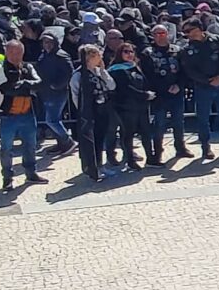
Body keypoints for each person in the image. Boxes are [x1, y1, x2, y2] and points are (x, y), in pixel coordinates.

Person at [180, 16, 219, 159]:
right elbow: (189, 70)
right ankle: (205, 147)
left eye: (190, 30)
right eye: (185, 31)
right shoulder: (187, 48)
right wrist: (207, 80)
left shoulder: (216, 40)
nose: (188, 34)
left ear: (199, 29)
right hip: (202, 87)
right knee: (203, 118)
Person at [0, 40, 48, 190]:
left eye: (18, 53)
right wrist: (26, 86)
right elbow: (6, 89)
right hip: (8, 115)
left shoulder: (28, 66)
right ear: (6, 53)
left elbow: (40, 83)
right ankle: (7, 177)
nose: (15, 56)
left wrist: (23, 84)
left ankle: (31, 173)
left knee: (30, 145)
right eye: (12, 52)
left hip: (28, 113)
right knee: (6, 148)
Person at [140, 24, 193, 161]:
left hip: (176, 92)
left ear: (167, 34)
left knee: (178, 122)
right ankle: (157, 151)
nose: (159, 36)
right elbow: (147, 75)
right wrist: (161, 89)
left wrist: (179, 85)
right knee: (159, 124)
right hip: (159, 95)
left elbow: (184, 71)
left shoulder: (177, 50)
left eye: (162, 33)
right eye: (156, 34)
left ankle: (180, 147)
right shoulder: (147, 53)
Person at [70, 45, 116, 182]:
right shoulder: (78, 75)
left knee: (100, 138)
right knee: (91, 141)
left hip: (103, 109)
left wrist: (103, 71)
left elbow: (112, 85)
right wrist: (83, 111)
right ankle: (92, 167)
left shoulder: (98, 71)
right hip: (89, 112)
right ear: (90, 57)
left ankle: (100, 165)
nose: (101, 58)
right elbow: (75, 95)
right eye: (97, 55)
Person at [108, 42, 157, 170]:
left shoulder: (134, 66)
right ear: (120, 53)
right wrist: (144, 95)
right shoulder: (116, 70)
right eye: (125, 52)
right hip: (126, 107)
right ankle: (130, 160)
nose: (129, 54)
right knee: (128, 134)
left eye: (131, 52)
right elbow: (126, 89)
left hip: (141, 106)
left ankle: (150, 158)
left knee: (146, 132)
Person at [35, 32, 76, 155]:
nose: (46, 44)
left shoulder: (61, 55)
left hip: (58, 92)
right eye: (44, 42)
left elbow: (69, 72)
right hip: (45, 91)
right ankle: (61, 144)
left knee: (52, 120)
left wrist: (57, 85)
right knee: (53, 119)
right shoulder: (43, 55)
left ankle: (68, 142)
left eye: (49, 42)